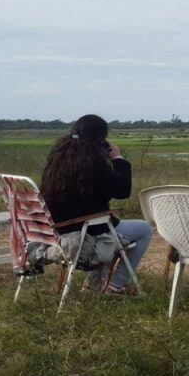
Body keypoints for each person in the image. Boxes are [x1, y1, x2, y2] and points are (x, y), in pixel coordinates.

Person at [40, 114, 152, 295]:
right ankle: (117, 284)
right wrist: (117, 158)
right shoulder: (92, 163)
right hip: (83, 233)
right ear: (101, 139)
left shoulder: (57, 159)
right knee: (144, 229)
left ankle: (93, 283)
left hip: (58, 231)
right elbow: (122, 191)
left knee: (101, 224)